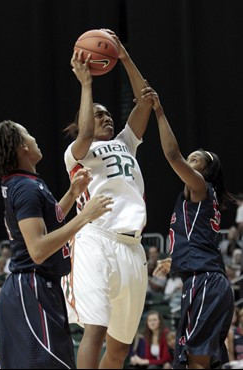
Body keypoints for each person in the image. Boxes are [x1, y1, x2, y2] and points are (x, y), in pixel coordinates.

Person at [0, 120, 113, 369]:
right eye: (28, 133)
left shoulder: (24, 183)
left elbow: (47, 225)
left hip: (38, 286)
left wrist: (73, 194)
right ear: (21, 147)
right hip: (31, 286)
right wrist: (85, 216)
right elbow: (38, 249)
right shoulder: (25, 188)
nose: (34, 138)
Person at [63, 29, 153, 369]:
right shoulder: (77, 153)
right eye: (98, 114)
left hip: (132, 246)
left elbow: (145, 100)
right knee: (95, 331)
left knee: (118, 351)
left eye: (107, 114)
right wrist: (86, 84)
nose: (106, 117)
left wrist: (123, 56)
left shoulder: (126, 142)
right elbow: (85, 130)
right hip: (96, 238)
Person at [150, 89, 234, 369]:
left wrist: (159, 111)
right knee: (201, 361)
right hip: (206, 280)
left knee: (194, 361)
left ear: (205, 171)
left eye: (196, 159)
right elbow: (197, 241)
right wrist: (172, 261)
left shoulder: (200, 187)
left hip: (205, 282)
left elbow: (172, 155)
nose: (189, 159)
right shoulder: (195, 201)